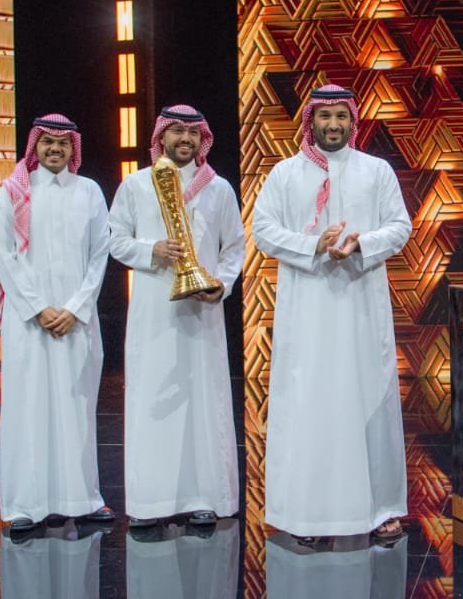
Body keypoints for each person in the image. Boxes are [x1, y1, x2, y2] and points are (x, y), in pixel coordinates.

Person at [254, 84, 412, 543]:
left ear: (352, 121)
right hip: (307, 312)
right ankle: (306, 516)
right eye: (325, 116)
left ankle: (380, 510)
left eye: (341, 116)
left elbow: (400, 226)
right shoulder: (285, 174)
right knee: (311, 404)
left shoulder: (376, 171)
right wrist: (312, 245)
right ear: (311, 121)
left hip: (362, 310)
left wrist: (361, 243)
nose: (333, 124)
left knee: (369, 400)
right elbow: (263, 230)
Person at [109, 105, 245, 526]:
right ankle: (150, 504)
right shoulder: (136, 185)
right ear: (161, 137)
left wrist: (222, 284)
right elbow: (114, 240)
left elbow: (234, 247)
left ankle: (205, 497)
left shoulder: (218, 188)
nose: (185, 139)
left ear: (202, 139)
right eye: (177, 131)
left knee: (204, 400)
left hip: (202, 313)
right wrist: (150, 250)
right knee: (152, 398)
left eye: (192, 132)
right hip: (154, 312)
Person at [0, 114, 113, 531]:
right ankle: (24, 505)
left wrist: (76, 307)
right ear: (35, 146)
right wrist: (38, 308)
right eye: (47, 141)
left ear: (73, 147)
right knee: (28, 407)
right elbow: (5, 255)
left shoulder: (89, 191)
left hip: (76, 319)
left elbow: (100, 254)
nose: (55, 149)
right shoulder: (13, 191)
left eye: (63, 142)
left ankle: (83, 499)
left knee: (77, 407)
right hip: (27, 321)